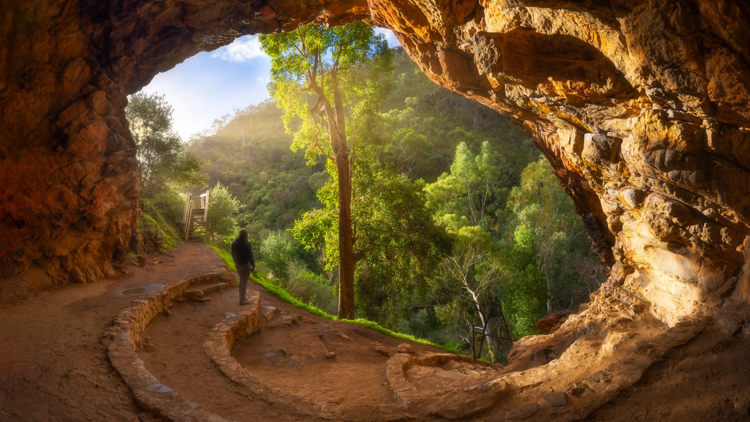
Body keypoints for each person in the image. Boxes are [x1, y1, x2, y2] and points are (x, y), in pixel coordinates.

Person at [231, 228, 255, 305]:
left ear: (239, 234)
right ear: (246, 235)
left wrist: (235, 261)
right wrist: (253, 266)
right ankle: (242, 299)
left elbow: (232, 253)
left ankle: (241, 295)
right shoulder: (247, 244)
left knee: (241, 279)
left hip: (237, 264)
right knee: (244, 281)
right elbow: (250, 256)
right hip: (245, 265)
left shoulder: (234, 242)